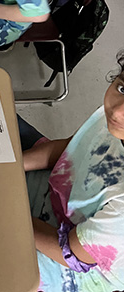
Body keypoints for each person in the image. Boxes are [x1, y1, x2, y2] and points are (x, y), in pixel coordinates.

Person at [20, 51, 124, 292]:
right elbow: (74, 148)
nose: (117, 112)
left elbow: (71, 254)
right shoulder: (116, 123)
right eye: (122, 88)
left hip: (74, 262)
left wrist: (6, 214)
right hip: (58, 196)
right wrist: (11, 163)